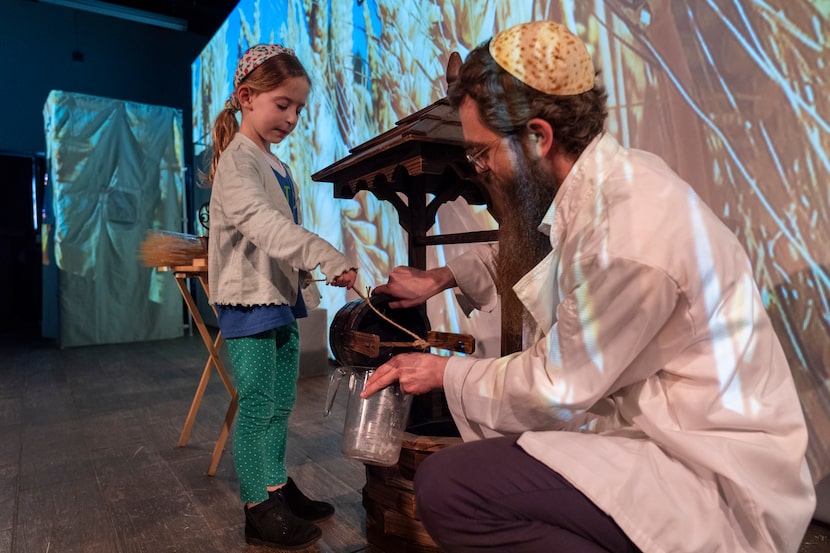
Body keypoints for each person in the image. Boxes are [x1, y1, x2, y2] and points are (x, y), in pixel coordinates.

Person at [363, 20, 815, 553]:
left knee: (449, 488)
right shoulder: (605, 186)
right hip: (650, 432)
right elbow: (527, 251)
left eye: (482, 153)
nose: (479, 168)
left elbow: (556, 390)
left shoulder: (628, 230)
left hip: (704, 467)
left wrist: (444, 371)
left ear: (537, 136)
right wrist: (439, 278)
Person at [208, 43, 357, 550]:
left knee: (280, 402)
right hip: (248, 301)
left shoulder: (275, 164)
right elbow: (260, 222)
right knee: (256, 405)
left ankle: (274, 483)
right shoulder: (237, 162)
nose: (291, 118)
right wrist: (321, 251)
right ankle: (257, 507)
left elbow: (279, 228)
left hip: (276, 296)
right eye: (282, 104)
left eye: (298, 109)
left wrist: (310, 273)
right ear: (247, 97)